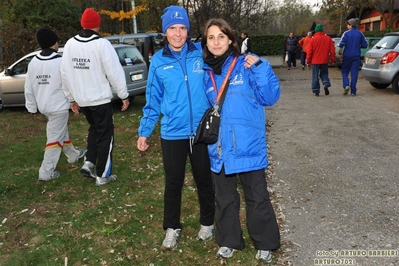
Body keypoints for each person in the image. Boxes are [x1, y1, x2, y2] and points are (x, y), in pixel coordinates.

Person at [201, 18, 281, 263]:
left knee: (257, 198)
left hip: (248, 147)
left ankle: (265, 243)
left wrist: (261, 67)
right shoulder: (206, 72)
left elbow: (270, 97)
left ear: (231, 40)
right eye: (211, 37)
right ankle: (229, 240)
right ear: (206, 42)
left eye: (221, 36)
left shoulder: (247, 64)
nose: (216, 42)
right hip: (221, 148)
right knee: (225, 199)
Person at [136, 5, 215, 250]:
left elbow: (223, 68)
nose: (178, 33)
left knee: (204, 179)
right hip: (173, 132)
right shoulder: (158, 61)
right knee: (173, 182)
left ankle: (208, 223)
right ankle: (172, 228)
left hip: (202, 131)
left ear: (188, 30)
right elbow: (153, 99)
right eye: (173, 28)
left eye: (182, 28)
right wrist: (144, 130)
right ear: (165, 32)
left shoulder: (201, 53)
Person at [61, 8, 130, 186]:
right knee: (106, 135)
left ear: (82, 24)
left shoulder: (69, 44)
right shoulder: (101, 44)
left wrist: (71, 98)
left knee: (94, 129)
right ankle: (102, 174)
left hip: (83, 100)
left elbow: (64, 73)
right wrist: (123, 95)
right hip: (100, 100)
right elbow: (114, 71)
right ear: (98, 25)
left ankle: (89, 162)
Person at [24, 28, 85, 181]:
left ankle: (73, 155)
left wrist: (31, 106)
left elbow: (28, 86)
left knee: (60, 132)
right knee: (54, 139)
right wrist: (76, 99)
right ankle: (46, 172)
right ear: (53, 43)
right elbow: (70, 82)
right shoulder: (59, 61)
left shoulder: (33, 62)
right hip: (59, 107)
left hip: (44, 107)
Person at [338, 18, 368, 96]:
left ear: (350, 25)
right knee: (354, 73)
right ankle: (353, 91)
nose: (347, 26)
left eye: (348, 25)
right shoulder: (360, 34)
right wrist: (358, 45)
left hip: (347, 55)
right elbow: (365, 45)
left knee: (344, 71)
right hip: (356, 56)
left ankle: (346, 85)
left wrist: (340, 53)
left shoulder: (346, 33)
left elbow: (341, 44)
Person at [306, 24, 336, 96]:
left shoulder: (312, 40)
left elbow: (309, 52)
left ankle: (316, 91)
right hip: (325, 60)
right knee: (324, 73)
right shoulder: (328, 39)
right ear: (322, 30)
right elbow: (332, 51)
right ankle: (326, 83)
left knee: (315, 76)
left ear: (316, 31)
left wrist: (308, 61)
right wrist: (333, 60)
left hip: (315, 61)